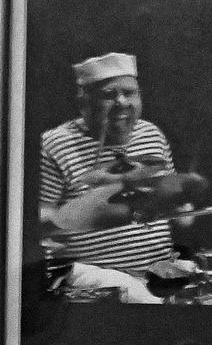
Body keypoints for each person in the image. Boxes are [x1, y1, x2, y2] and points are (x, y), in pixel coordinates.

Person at [39, 52, 203, 303]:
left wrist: (184, 200)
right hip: (94, 281)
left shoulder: (151, 134)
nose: (122, 102)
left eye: (129, 92)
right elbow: (43, 219)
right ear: (84, 102)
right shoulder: (56, 144)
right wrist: (90, 209)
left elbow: (178, 210)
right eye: (109, 95)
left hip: (155, 273)